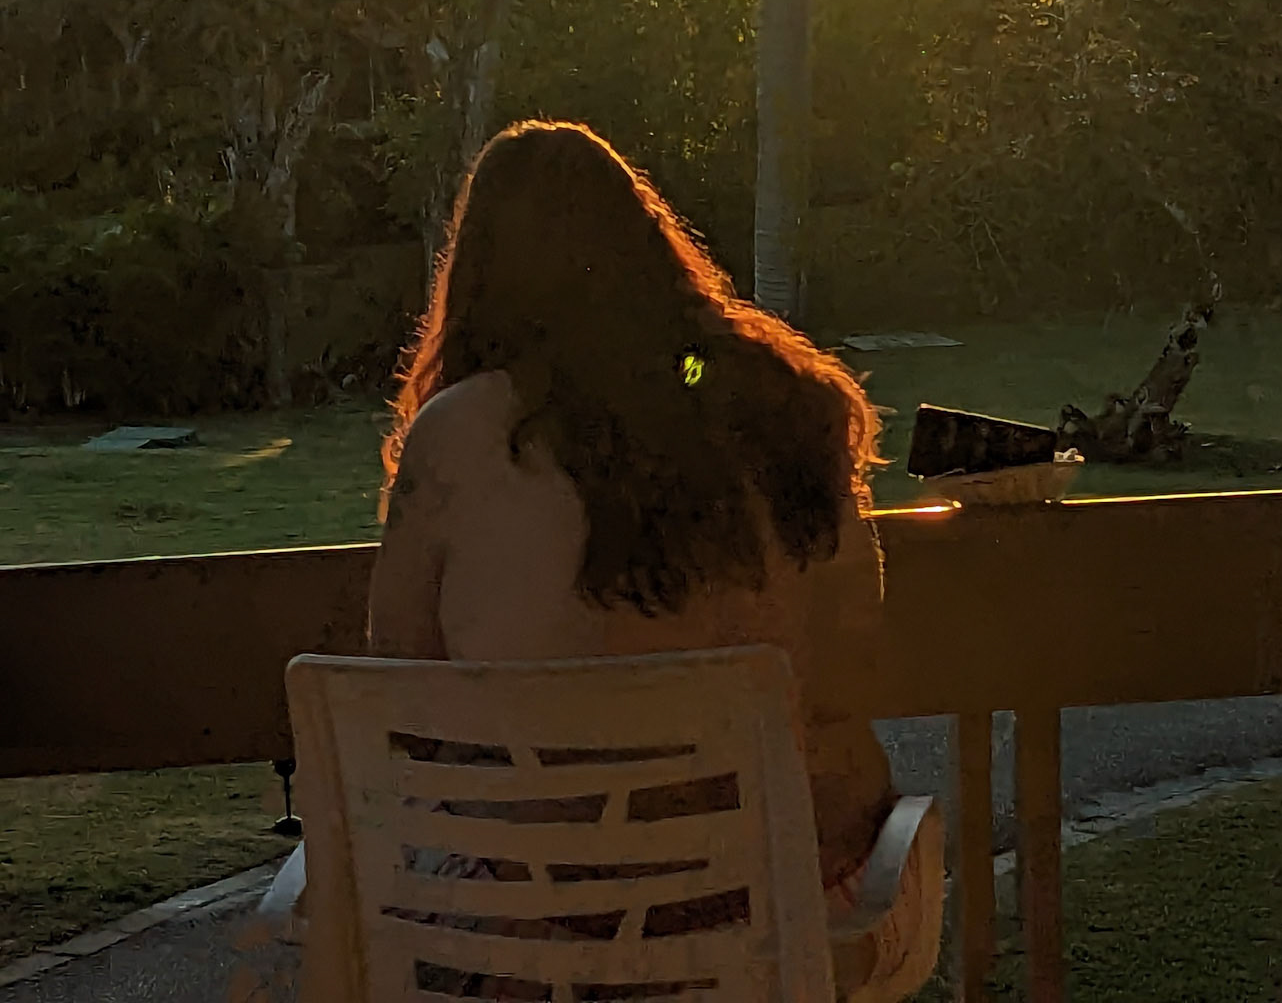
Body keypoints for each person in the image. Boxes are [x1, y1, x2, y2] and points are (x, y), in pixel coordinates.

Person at [234, 120, 936, 1003]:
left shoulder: (456, 439)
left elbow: (406, 686)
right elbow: (851, 662)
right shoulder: (789, 407)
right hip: (755, 926)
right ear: (650, 243)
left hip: (523, 937)